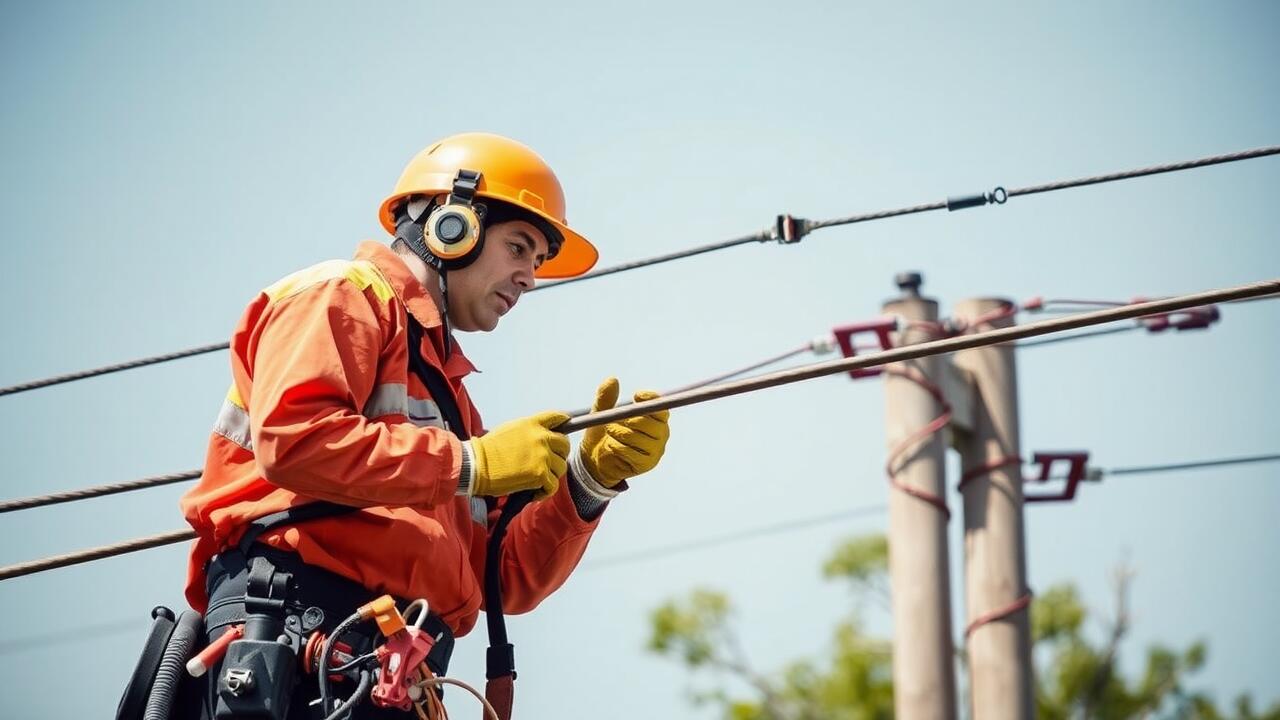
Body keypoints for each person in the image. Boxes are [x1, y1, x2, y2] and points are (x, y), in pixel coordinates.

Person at [177, 132, 672, 718]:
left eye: (537, 262)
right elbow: (296, 441)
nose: (529, 277)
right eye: (519, 248)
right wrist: (471, 463)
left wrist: (589, 482)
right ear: (451, 226)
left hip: (389, 668)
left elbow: (502, 577)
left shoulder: (449, 399)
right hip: (301, 635)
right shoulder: (342, 297)